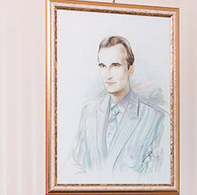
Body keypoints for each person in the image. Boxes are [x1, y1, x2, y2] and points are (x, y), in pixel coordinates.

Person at [70, 34, 167, 178]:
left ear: (130, 69)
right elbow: (75, 168)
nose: (108, 75)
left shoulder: (156, 118)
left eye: (115, 65)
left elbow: (156, 177)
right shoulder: (88, 112)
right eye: (103, 66)